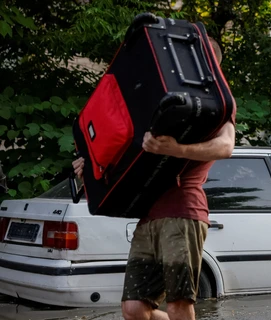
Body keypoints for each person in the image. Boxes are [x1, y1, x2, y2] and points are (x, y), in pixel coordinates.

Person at [72, 37, 235, 320]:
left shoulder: (218, 103)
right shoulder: (157, 96)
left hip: (182, 213)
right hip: (148, 215)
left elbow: (226, 147)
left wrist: (178, 150)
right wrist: (91, 165)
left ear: (211, 64)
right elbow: (126, 151)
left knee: (178, 304)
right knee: (134, 309)